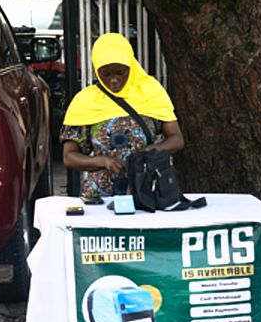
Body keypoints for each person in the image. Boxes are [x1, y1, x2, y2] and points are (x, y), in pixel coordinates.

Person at [61, 33, 184, 201]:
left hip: (148, 192)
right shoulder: (85, 101)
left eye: (120, 73)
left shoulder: (152, 92)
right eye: (105, 74)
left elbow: (176, 139)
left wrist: (148, 151)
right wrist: (103, 161)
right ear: (96, 70)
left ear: (131, 66)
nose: (113, 81)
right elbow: (69, 156)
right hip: (100, 198)